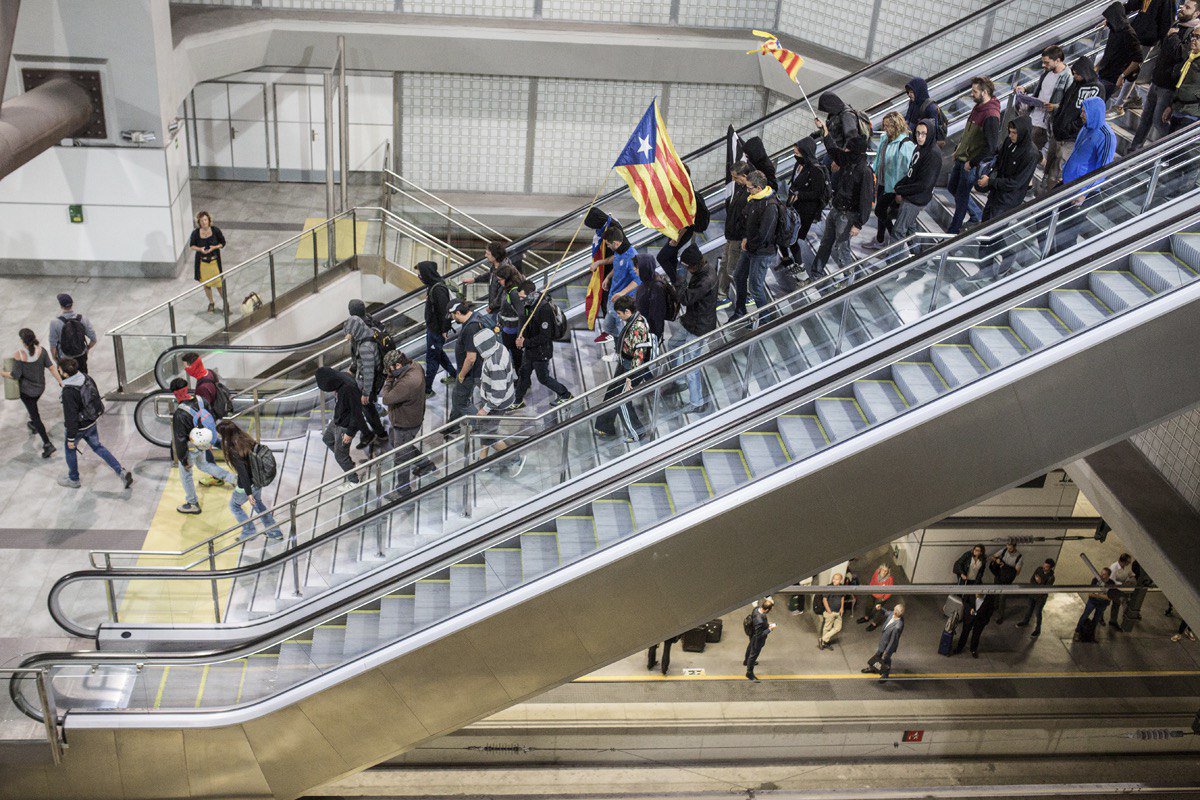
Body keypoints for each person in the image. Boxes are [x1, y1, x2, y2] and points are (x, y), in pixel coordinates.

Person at [58, 358, 133, 491]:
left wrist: (70, 438)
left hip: (78, 427)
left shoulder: (68, 392)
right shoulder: (86, 378)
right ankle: (120, 471)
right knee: (98, 447)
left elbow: (71, 417)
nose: (58, 372)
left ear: (65, 374)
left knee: (70, 450)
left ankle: (74, 479)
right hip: (91, 421)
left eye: (60, 370)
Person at [1131, 3, 1199, 149]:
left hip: (1168, 87)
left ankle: (1172, 149)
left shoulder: (1194, 33)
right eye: (1183, 5)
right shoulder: (1176, 24)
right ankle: (1133, 150)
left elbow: (1181, 54)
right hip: (1156, 80)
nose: (1182, 8)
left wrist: (1173, 35)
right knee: (1145, 119)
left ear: (1196, 13)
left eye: (1187, 7)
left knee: (1159, 122)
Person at [169, 377, 236, 514]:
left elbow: (180, 440)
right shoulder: (201, 400)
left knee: (186, 474)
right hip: (205, 441)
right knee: (203, 465)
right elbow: (211, 418)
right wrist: (210, 440)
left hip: (191, 447)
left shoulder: (180, 414)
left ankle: (192, 503)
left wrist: (183, 459)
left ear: (175, 393)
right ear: (186, 388)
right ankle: (233, 479)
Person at [812, 137, 874, 281]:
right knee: (826, 243)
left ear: (855, 151)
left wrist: (858, 224)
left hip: (848, 215)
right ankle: (816, 273)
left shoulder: (865, 171)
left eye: (848, 149)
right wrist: (825, 134)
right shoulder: (848, 162)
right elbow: (833, 151)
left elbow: (866, 200)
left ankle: (849, 280)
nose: (845, 151)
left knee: (842, 248)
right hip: (836, 210)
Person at [665, 243, 717, 413]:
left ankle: (697, 403)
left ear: (694, 265)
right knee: (673, 344)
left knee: (691, 365)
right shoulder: (701, 271)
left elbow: (686, 299)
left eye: (686, 267)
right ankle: (680, 381)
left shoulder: (706, 280)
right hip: (691, 321)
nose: (685, 269)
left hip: (700, 327)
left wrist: (679, 280)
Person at [948, 77, 1002, 233]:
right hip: (962, 157)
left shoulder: (991, 115)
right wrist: (958, 149)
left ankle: (953, 231)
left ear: (984, 92)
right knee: (953, 188)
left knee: (962, 196)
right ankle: (976, 213)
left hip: (970, 163)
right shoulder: (978, 107)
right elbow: (969, 134)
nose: (972, 94)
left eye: (975, 91)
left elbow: (991, 147)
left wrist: (972, 162)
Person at [593, 296, 652, 440]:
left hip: (632, 368)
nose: (619, 317)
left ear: (627, 311)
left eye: (619, 314)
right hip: (625, 363)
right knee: (612, 393)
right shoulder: (634, 319)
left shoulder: (637, 327)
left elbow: (639, 355)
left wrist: (630, 377)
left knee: (622, 400)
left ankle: (637, 432)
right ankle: (605, 426)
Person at [379, 350, 436, 495]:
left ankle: (403, 491)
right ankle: (425, 464)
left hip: (405, 424)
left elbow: (386, 398)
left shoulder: (408, 382)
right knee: (400, 444)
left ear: (398, 365)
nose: (389, 373)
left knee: (401, 459)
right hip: (407, 419)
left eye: (390, 370)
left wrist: (389, 380)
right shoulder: (415, 365)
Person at [215, 419, 281, 541]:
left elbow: (243, 473)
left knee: (234, 506)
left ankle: (249, 531)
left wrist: (248, 493)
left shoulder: (233, 450)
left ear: (225, 435)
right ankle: (275, 532)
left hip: (247, 485)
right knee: (259, 505)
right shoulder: (246, 439)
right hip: (258, 480)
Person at [1045, 56, 1103, 194]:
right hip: (1059, 134)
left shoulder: (1096, 88)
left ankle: (1051, 199)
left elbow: (1090, 115)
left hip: (1071, 138)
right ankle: (1045, 194)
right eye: (1074, 74)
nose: (1075, 76)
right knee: (1050, 170)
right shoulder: (1076, 84)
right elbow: (1066, 105)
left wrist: (1069, 128)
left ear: (1085, 72)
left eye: (1077, 74)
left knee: (1059, 172)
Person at [512, 280, 573, 410]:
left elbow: (545, 336)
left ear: (530, 294)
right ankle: (517, 401)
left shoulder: (543, 308)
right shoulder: (530, 304)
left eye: (522, 297)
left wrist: (525, 342)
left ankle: (565, 394)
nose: (520, 300)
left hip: (541, 351)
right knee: (524, 374)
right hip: (530, 349)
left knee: (543, 378)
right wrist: (522, 338)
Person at [0, 328, 60, 458]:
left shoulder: (19, 355)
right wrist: (60, 381)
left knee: (35, 415)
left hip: (27, 392)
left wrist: (2, 373)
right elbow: (51, 367)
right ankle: (33, 423)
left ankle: (47, 444)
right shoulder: (42, 351)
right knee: (33, 409)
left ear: (23, 341)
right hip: (40, 388)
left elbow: (15, 375)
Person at [731, 170, 780, 323]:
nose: (747, 191)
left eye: (749, 188)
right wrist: (745, 237)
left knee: (755, 287)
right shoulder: (754, 199)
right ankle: (740, 310)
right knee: (739, 276)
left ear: (759, 188)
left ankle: (765, 319)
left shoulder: (770, 206)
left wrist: (749, 244)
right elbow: (747, 221)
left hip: (762, 252)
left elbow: (764, 235)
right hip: (750, 247)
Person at [888, 119, 942, 250]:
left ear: (930, 134)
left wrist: (901, 190)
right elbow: (911, 172)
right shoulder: (919, 147)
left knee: (898, 231)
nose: (919, 137)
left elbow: (924, 184)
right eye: (917, 133)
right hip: (911, 195)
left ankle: (893, 260)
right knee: (910, 229)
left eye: (923, 134)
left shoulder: (933, 154)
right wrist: (900, 186)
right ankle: (918, 257)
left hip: (916, 199)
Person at [865, 112, 915, 251]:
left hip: (895, 187)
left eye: (888, 126)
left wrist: (901, 190)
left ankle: (899, 240)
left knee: (883, 212)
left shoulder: (905, 144)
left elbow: (909, 170)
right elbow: (879, 158)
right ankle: (881, 239)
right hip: (882, 182)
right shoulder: (884, 138)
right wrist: (873, 171)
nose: (885, 128)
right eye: (884, 125)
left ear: (896, 126)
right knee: (881, 211)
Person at [781, 138, 830, 278]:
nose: (795, 155)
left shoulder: (815, 170)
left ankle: (801, 269)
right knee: (787, 235)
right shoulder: (799, 164)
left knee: (793, 239)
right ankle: (790, 261)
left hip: (805, 212)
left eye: (797, 152)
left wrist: (799, 195)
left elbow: (817, 193)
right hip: (793, 208)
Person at [1015, 46, 1072, 162]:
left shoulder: (1067, 77)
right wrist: (1025, 88)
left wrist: (1054, 107)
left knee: (1028, 156)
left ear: (1057, 60)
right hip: (1032, 116)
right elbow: (1039, 85)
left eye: (1046, 62)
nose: (1043, 65)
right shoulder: (1047, 72)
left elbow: (1068, 103)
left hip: (1043, 124)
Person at [315, 366, 367, 490]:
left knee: (340, 456)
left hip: (345, 426)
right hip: (338, 419)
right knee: (327, 439)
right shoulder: (342, 377)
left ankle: (354, 481)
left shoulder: (348, 389)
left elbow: (357, 413)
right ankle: (348, 464)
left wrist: (350, 433)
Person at [344, 305, 388, 449]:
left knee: (367, 407)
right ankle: (374, 431)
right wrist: (353, 369)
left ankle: (380, 433)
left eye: (350, 332)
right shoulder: (366, 332)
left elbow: (368, 372)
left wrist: (366, 393)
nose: (349, 336)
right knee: (366, 407)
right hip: (367, 377)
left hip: (368, 382)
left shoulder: (365, 347)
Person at [417, 260, 457, 396]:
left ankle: (427, 390)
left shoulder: (438, 289)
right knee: (438, 354)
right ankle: (454, 374)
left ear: (427, 273)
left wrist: (445, 330)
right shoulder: (432, 285)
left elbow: (445, 312)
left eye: (421, 273)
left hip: (437, 331)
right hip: (433, 328)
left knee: (432, 358)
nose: (419, 276)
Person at [1097, 1, 1144, 106]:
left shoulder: (1128, 33)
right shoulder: (1114, 28)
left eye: (1109, 18)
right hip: (1103, 72)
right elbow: (1110, 51)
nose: (1107, 21)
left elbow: (1137, 59)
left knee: (1096, 104)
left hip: (1112, 77)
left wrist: (1122, 76)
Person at [813, 91, 867, 178]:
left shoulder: (847, 116)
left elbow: (851, 140)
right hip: (834, 153)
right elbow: (832, 129)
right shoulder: (836, 112)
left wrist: (839, 160)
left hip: (840, 157)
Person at [600, 226, 641, 341]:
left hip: (622, 300)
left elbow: (638, 280)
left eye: (608, 244)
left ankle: (620, 347)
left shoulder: (631, 257)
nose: (608, 247)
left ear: (616, 243)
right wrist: (608, 277)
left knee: (621, 332)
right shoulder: (618, 252)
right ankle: (615, 342)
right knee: (608, 326)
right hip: (613, 295)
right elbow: (617, 267)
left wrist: (622, 293)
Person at [721, 162, 753, 307]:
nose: (733, 180)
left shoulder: (750, 193)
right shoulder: (740, 187)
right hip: (731, 235)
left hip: (738, 237)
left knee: (733, 269)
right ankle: (721, 294)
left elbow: (748, 219)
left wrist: (744, 237)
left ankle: (747, 295)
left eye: (735, 177)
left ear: (744, 176)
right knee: (724, 264)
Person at [461, 241, 510, 324]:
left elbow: (503, 292)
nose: (485, 255)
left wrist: (491, 307)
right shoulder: (495, 266)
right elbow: (490, 275)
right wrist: (474, 279)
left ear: (495, 256)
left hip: (500, 310)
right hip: (495, 308)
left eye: (488, 254)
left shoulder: (505, 270)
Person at [48, 293, 97, 374]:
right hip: (81, 355)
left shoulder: (55, 322)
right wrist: (87, 348)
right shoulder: (82, 319)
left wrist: (54, 357)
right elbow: (94, 339)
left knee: (67, 379)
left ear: (61, 306)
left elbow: (52, 344)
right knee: (83, 377)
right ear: (72, 304)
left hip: (65, 358)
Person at [189, 211, 227, 314]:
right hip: (203, 263)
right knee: (206, 285)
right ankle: (211, 303)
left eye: (205, 220)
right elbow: (192, 245)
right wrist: (200, 249)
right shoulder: (196, 233)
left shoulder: (215, 231)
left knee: (219, 285)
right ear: (199, 222)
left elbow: (223, 243)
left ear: (209, 220)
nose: (204, 222)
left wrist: (215, 247)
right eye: (201, 221)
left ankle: (225, 303)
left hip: (214, 262)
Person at [1165, 32, 1200, 131]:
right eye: (1192, 35)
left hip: (1192, 115)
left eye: (1198, 37)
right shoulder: (1189, 57)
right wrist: (1171, 106)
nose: (1193, 39)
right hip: (1178, 109)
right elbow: (1180, 85)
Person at [495, 264, 527, 373]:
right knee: (514, 356)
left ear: (507, 279)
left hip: (513, 331)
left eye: (500, 279)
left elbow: (521, 314)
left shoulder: (514, 292)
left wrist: (519, 335)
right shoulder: (510, 289)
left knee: (516, 356)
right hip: (508, 329)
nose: (499, 282)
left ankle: (521, 378)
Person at [634, 253, 669, 349]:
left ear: (644, 268)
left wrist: (654, 337)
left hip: (649, 332)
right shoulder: (646, 281)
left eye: (637, 267)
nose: (634, 269)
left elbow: (657, 315)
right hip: (643, 327)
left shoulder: (656, 287)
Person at [862, 603, 905, 681]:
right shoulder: (892, 614)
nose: (893, 610)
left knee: (886, 659)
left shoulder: (898, 626)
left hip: (889, 646)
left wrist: (887, 651)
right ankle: (873, 668)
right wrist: (880, 608)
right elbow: (886, 612)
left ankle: (885, 675)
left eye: (894, 609)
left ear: (896, 612)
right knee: (877, 656)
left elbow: (893, 640)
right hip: (883, 641)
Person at [1017, 558, 1056, 637]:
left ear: (1050, 568)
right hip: (1033, 594)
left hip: (1041, 598)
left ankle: (1038, 629)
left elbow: (1045, 590)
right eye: (1044, 565)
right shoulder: (1039, 569)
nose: (1044, 567)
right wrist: (1038, 583)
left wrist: (1039, 582)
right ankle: (1025, 621)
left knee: (1038, 613)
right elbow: (1032, 580)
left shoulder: (1051, 577)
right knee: (1029, 609)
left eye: (1046, 566)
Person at [1074, 567, 1115, 641]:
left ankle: (1091, 634)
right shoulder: (1095, 580)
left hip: (1102, 604)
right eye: (1101, 573)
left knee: (1096, 619)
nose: (1101, 575)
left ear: (1108, 576)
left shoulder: (1111, 583)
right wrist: (1104, 596)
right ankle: (1077, 631)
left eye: (1104, 574)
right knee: (1085, 615)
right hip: (1093, 602)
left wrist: (1097, 595)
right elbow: (1090, 594)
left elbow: (1110, 597)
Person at [990, 539, 1025, 623]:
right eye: (1007, 547)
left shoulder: (1019, 557)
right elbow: (993, 556)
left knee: (1002, 598)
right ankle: (994, 608)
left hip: (1007, 580)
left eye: (1010, 548)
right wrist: (996, 560)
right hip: (998, 576)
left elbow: (1017, 572)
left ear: (1015, 547)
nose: (1008, 549)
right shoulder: (1004, 550)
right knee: (995, 594)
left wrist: (1005, 566)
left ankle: (1000, 616)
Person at [744, 597, 776, 681]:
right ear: (767, 610)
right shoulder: (760, 620)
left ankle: (746, 661)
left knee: (750, 646)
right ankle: (749, 673)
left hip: (752, 632)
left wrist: (767, 624)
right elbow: (760, 635)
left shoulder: (756, 609)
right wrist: (769, 629)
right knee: (754, 654)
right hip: (757, 638)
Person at [903, 77, 944, 142]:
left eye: (912, 92)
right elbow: (908, 119)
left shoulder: (930, 108)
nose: (909, 95)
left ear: (919, 92)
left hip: (920, 142)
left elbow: (933, 131)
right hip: (910, 139)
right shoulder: (913, 103)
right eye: (908, 92)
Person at [856, 564, 894, 630]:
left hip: (881, 597)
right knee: (868, 605)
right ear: (880, 569)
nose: (884, 572)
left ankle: (874, 623)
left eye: (886, 571)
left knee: (878, 610)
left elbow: (890, 590)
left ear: (888, 571)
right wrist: (870, 589)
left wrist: (884, 598)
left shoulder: (890, 579)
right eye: (883, 570)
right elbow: (872, 580)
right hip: (872, 592)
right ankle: (866, 617)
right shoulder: (876, 572)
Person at [817, 573, 846, 651]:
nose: (834, 580)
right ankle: (825, 643)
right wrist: (828, 610)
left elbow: (842, 597)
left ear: (840, 580)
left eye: (836, 579)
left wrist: (842, 608)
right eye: (833, 578)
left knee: (838, 628)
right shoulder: (829, 587)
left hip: (838, 612)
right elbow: (824, 599)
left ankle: (823, 639)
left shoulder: (842, 587)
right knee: (827, 628)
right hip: (830, 612)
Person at [1107, 553, 1136, 628]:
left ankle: (1114, 620)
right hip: (1112, 589)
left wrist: (1129, 576)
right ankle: (1114, 620)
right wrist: (1122, 584)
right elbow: (1111, 581)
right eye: (1128, 562)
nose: (1129, 563)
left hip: (1120, 588)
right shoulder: (1114, 568)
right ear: (1124, 561)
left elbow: (1124, 575)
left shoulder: (1123, 567)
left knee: (1119, 602)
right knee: (1119, 601)